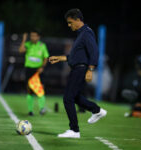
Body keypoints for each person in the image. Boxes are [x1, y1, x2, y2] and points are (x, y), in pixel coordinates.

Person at [49, 8, 107, 138]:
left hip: (81, 69)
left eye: (70, 22)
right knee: (75, 98)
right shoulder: (81, 34)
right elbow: (75, 57)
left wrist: (90, 70)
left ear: (77, 20)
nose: (69, 25)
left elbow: (94, 52)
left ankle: (74, 130)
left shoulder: (86, 33)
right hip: (77, 68)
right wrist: (59, 58)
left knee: (67, 98)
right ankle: (97, 110)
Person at [19, 29, 49, 116]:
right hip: (29, 70)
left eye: (34, 35)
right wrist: (24, 39)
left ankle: (41, 109)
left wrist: (42, 67)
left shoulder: (42, 45)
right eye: (31, 35)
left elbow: (46, 57)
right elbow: (21, 50)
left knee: (40, 89)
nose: (32, 37)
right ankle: (30, 111)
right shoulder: (28, 44)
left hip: (38, 70)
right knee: (29, 90)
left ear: (38, 37)